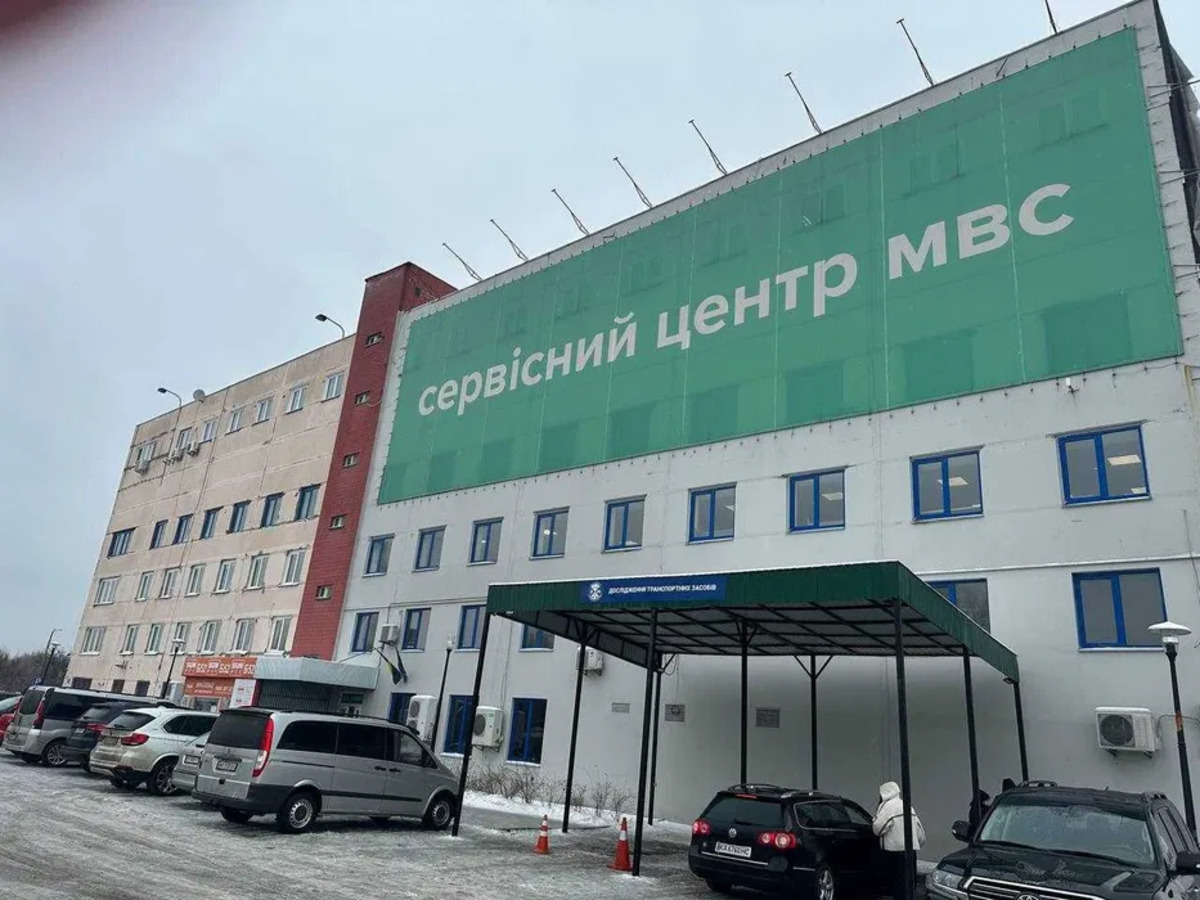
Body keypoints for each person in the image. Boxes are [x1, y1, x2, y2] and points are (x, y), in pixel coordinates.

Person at [873, 781, 926, 900]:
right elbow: (920, 831)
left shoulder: (887, 807)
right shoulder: (908, 806)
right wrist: (916, 844)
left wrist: (875, 820)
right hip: (911, 851)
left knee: (898, 885)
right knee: (910, 884)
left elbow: (878, 829)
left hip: (894, 851)